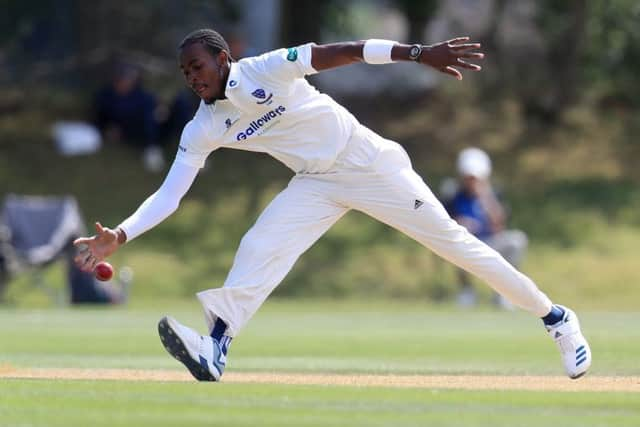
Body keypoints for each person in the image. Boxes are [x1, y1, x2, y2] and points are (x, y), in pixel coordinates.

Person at [73, 29, 591, 381]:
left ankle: (556, 317)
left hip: (368, 163)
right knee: (260, 244)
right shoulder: (203, 126)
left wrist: (417, 54)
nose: (192, 77)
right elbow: (170, 194)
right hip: (316, 182)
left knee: (455, 246)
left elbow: (344, 50)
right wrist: (120, 235)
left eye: (198, 66)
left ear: (223, 58)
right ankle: (215, 348)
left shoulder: (267, 69)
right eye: (185, 71)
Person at [446, 148, 529, 309]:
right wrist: (461, 223)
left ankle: (504, 293)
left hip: (490, 240)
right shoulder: (454, 195)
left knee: (517, 240)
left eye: (475, 178)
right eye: (468, 178)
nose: (471, 181)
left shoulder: (493, 193)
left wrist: (485, 196)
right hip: (466, 241)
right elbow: (444, 221)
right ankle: (467, 292)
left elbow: (499, 225)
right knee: (454, 244)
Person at [95, 62, 165, 172]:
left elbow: (156, 107)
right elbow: (100, 118)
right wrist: (106, 128)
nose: (125, 83)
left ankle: (152, 149)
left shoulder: (141, 95)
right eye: (122, 79)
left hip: (147, 129)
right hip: (125, 131)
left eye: (129, 80)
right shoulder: (106, 96)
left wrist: (160, 109)